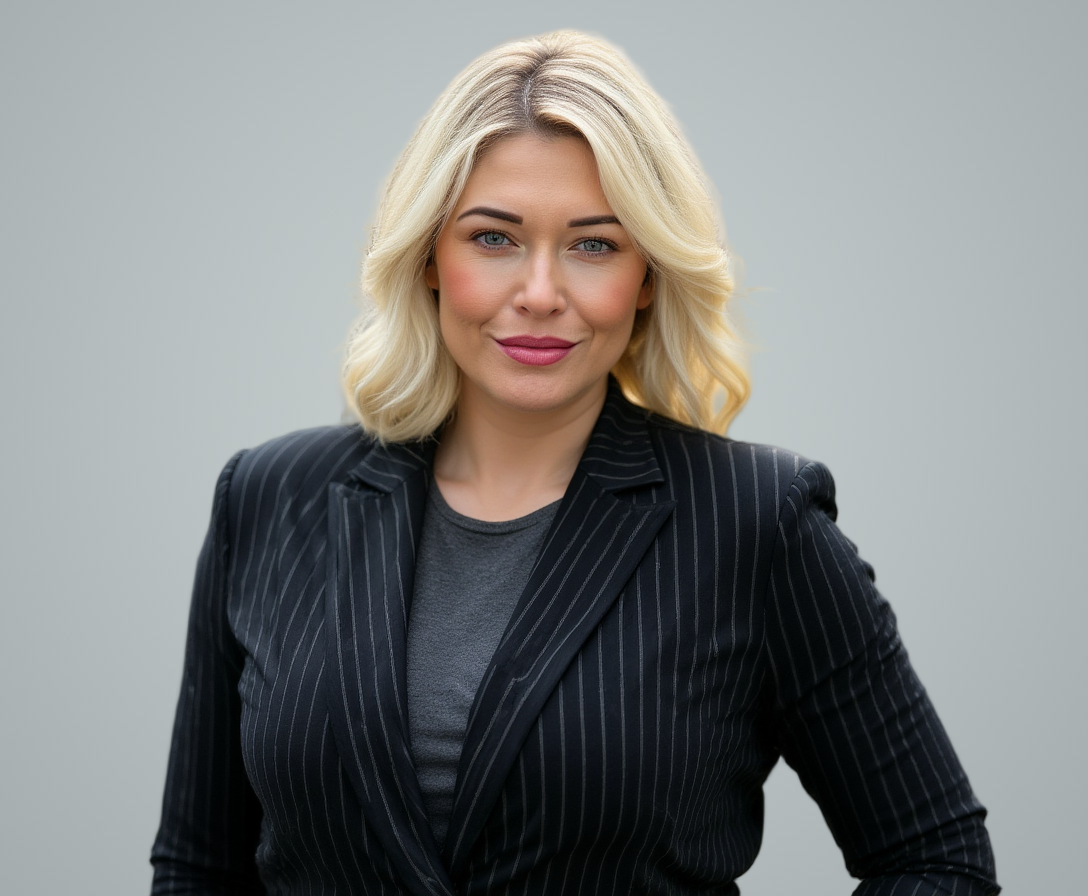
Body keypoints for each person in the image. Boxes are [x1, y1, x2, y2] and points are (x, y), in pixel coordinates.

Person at [150, 30, 999, 896]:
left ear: (649, 277)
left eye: (594, 244)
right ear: (429, 257)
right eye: (493, 238)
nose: (541, 292)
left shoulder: (756, 522)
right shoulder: (269, 498)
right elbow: (197, 868)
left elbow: (937, 863)